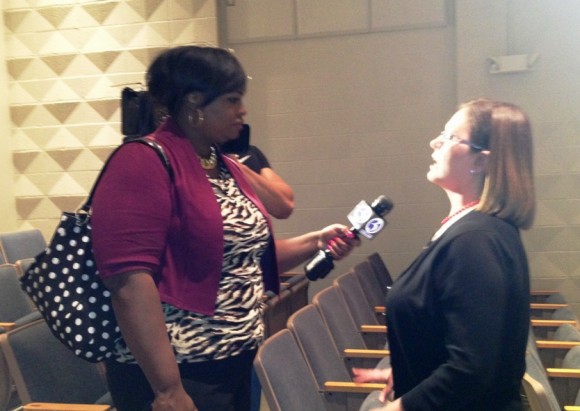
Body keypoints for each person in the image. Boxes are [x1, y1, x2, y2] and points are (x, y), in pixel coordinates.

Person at [90, 45, 359, 411]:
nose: (243, 110)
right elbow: (128, 283)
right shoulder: (143, 161)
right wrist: (168, 389)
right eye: (233, 100)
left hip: (235, 359)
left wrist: (317, 241)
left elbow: (241, 259)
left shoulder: (223, 165)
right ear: (194, 104)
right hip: (180, 372)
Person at [352, 99, 535, 411]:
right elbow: (460, 330)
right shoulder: (472, 229)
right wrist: (412, 368)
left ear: (481, 160)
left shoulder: (475, 241)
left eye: (451, 137)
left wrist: (397, 409)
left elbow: (472, 370)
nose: (434, 142)